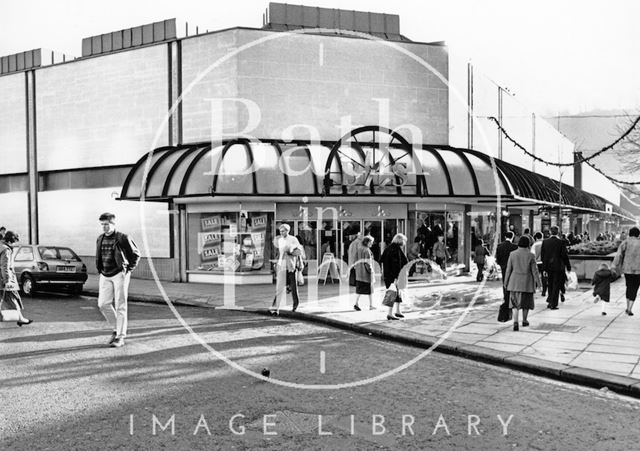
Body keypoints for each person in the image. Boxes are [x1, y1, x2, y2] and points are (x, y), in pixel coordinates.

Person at [95, 212, 140, 348]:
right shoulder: (99, 238)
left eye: (107, 225)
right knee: (103, 304)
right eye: (102, 225)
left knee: (121, 305)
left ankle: (120, 336)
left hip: (119, 273)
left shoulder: (122, 238)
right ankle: (116, 329)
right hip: (105, 274)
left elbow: (136, 254)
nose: (104, 227)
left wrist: (127, 270)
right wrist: (100, 270)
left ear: (114, 224)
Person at [504, 236, 541, 331]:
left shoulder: (512, 254)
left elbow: (508, 270)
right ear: (528, 244)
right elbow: (535, 271)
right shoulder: (531, 255)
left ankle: (515, 321)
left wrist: (506, 282)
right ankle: (524, 320)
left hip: (514, 282)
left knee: (514, 303)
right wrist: (539, 283)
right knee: (526, 303)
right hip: (527, 282)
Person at [0, 231, 33, 326]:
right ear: (10, 240)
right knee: (13, 298)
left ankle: (20, 318)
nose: (14, 244)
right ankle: (21, 318)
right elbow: (5, 267)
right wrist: (7, 281)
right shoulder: (5, 250)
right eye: (14, 241)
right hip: (4, 280)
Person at [271, 223, 302, 315]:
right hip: (282, 266)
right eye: (280, 231)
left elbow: (299, 252)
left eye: (283, 231)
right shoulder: (280, 240)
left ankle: (295, 306)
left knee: (294, 287)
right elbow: (279, 253)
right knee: (279, 288)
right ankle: (275, 308)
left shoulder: (293, 239)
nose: (281, 233)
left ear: (288, 231)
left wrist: (290, 252)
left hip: (291, 266)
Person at [611, 226, 640, 316]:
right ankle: (630, 308)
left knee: (629, 286)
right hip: (638, 269)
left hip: (627, 269)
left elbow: (618, 255)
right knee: (634, 288)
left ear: (630, 233)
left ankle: (627, 307)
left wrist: (614, 266)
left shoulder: (625, 242)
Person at [541, 226, 571, 310]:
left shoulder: (545, 242)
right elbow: (564, 255)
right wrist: (568, 266)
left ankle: (550, 300)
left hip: (548, 267)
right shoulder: (561, 242)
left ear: (550, 232)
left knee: (550, 284)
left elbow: (543, 256)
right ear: (558, 232)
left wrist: (544, 268)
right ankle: (553, 304)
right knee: (556, 285)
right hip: (558, 267)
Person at [381, 233, 408, 320]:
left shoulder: (388, 248)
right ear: (400, 240)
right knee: (392, 293)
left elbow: (381, 259)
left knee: (397, 293)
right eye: (404, 241)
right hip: (393, 276)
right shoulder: (396, 250)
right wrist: (396, 277)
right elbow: (397, 265)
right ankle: (390, 313)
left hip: (388, 275)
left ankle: (397, 311)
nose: (404, 243)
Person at [495, 231, 518, 322]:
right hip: (512, 269)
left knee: (505, 282)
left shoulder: (499, 246)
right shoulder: (514, 247)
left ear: (505, 237)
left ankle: (506, 296)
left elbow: (498, 259)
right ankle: (511, 298)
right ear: (512, 237)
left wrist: (501, 265)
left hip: (504, 268)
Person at [354, 235, 376, 311]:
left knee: (359, 290)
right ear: (367, 242)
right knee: (370, 291)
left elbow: (355, 261)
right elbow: (368, 263)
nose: (372, 244)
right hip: (366, 275)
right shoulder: (367, 250)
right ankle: (371, 305)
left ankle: (356, 303)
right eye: (371, 242)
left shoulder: (359, 249)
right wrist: (371, 271)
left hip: (359, 274)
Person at [530, 232, 548, 296]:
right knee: (544, 277)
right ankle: (544, 291)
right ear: (542, 236)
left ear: (536, 237)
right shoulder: (546, 243)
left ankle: (535, 289)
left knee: (536, 276)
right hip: (544, 263)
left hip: (537, 262)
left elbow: (532, 255)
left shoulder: (534, 245)